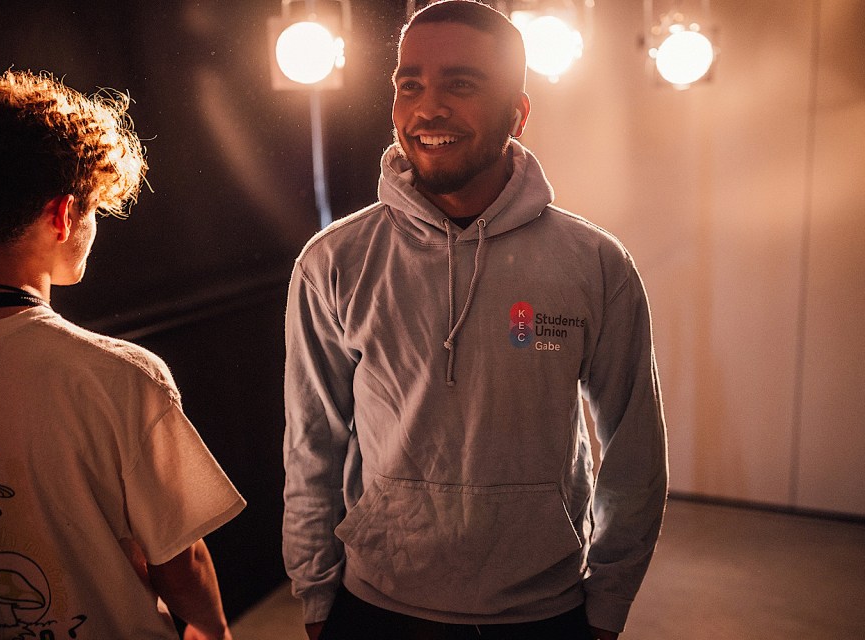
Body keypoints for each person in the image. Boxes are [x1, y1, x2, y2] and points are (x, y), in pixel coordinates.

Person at [283, 1, 668, 638]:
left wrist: (608, 604)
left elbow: (634, 449)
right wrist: (318, 596)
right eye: (411, 85)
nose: (427, 109)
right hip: (375, 604)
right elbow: (310, 444)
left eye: (460, 84)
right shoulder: (334, 261)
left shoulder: (596, 264)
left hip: (544, 610)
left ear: (517, 114)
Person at [0, 70, 246, 639]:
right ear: (62, 214)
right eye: (94, 210)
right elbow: (180, 558)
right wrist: (213, 631)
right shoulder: (116, 376)